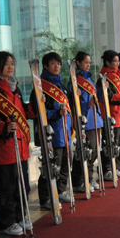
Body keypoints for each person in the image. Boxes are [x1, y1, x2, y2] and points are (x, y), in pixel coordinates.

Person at [0, 51, 35, 235]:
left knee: (22, 184)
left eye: (12, 63)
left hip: (20, 146)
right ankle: (6, 223)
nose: (11, 66)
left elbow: (23, 112)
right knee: (6, 187)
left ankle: (20, 216)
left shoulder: (15, 87)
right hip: (3, 147)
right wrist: (2, 128)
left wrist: (36, 105)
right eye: (6, 64)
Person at [35, 52, 73, 207]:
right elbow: (37, 111)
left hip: (65, 133)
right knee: (50, 167)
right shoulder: (40, 86)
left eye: (58, 63)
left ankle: (61, 191)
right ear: (45, 66)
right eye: (53, 63)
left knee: (65, 165)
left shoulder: (61, 85)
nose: (57, 66)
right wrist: (57, 113)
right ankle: (46, 198)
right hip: (52, 135)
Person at [69, 51, 103, 192]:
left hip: (95, 120)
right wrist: (87, 105)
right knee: (86, 152)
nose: (88, 65)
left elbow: (95, 99)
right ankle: (81, 180)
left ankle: (89, 178)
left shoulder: (89, 80)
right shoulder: (74, 81)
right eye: (85, 63)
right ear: (78, 63)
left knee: (94, 152)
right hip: (84, 121)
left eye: (89, 63)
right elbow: (74, 105)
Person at [98, 50, 120, 179]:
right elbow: (108, 97)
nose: (117, 63)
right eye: (115, 61)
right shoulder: (103, 77)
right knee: (109, 144)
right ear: (107, 62)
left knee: (117, 143)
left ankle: (114, 166)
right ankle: (107, 170)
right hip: (110, 115)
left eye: (118, 61)